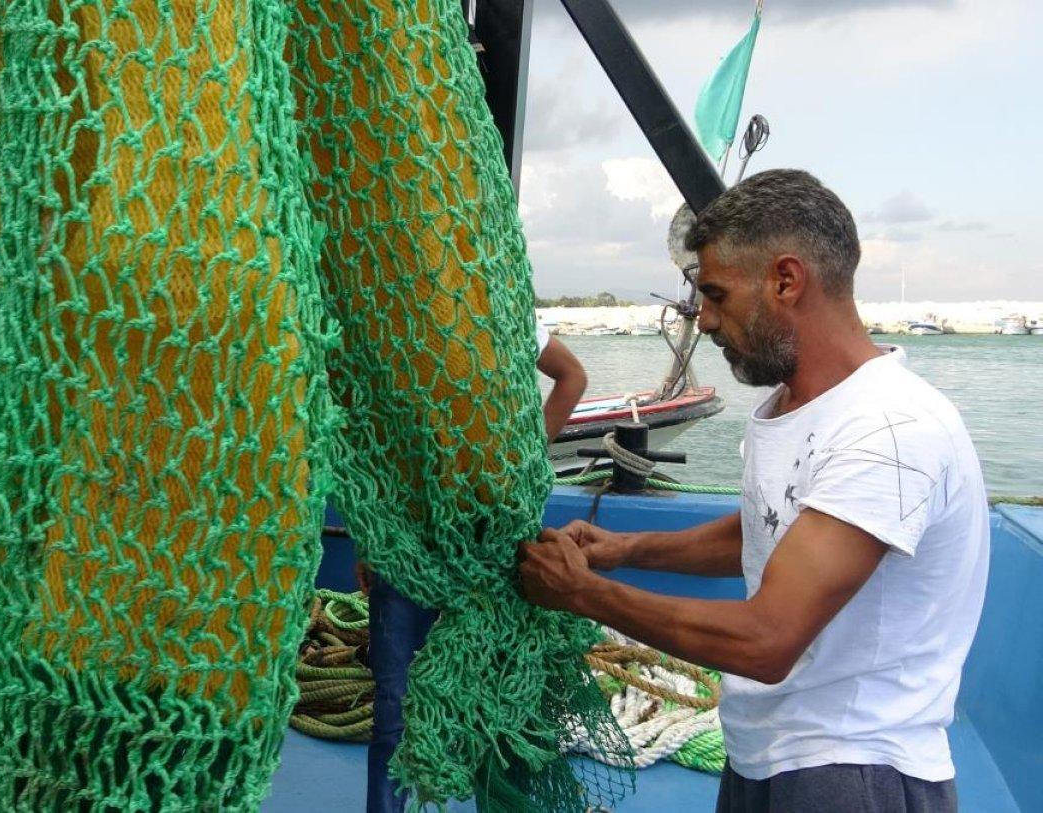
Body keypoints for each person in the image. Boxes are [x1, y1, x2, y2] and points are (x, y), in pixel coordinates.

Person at [518, 169, 988, 813]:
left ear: (786, 281)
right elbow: (764, 529)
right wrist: (621, 549)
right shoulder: (793, 406)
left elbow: (766, 642)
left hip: (854, 772)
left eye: (716, 294)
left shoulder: (888, 430)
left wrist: (582, 593)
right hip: (767, 752)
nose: (704, 320)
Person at [361, 323, 586, 813]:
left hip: (492, 543)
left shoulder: (500, 311)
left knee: (501, 695)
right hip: (406, 546)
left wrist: (528, 454)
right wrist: (370, 539)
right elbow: (375, 435)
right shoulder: (391, 315)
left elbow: (571, 376)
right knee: (394, 707)